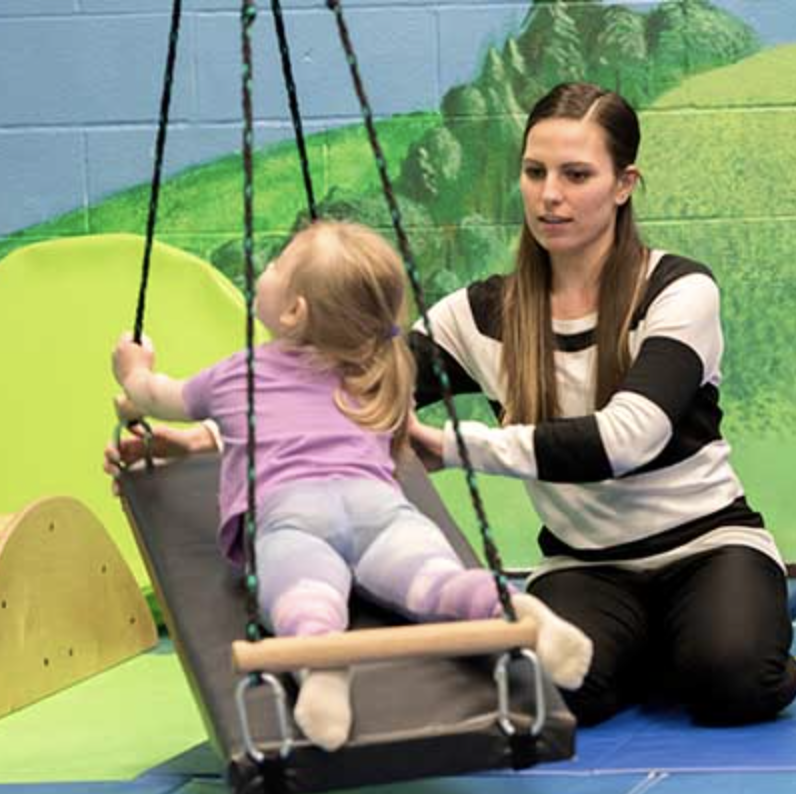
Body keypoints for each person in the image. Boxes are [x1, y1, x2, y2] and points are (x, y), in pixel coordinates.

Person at [110, 219, 593, 752]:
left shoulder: (238, 374)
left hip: (292, 514)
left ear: (295, 311)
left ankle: (323, 666)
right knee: (435, 580)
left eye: (276, 265)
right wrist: (187, 443)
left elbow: (156, 395)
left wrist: (133, 370)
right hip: (380, 509)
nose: (265, 270)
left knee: (304, 590)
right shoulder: (380, 374)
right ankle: (519, 614)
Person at [407, 81, 796, 727]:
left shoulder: (677, 290)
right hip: (585, 567)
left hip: (707, 547)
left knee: (732, 682)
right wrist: (205, 420)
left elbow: (625, 440)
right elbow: (353, 396)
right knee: (548, 694)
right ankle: (656, 647)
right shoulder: (475, 314)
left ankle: (703, 638)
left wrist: (453, 447)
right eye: (534, 172)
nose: (549, 194)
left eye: (576, 174)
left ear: (624, 183)